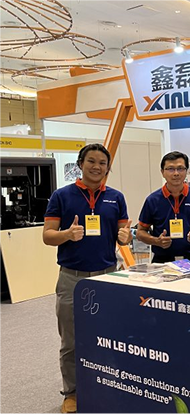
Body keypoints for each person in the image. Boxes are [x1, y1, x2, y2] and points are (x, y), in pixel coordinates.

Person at [43, 143, 132, 414]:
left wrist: (125, 237)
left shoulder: (116, 197)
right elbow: (48, 235)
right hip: (72, 278)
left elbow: (123, 233)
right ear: (80, 164)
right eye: (91, 161)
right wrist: (67, 235)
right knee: (71, 341)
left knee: (108, 336)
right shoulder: (62, 196)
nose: (97, 167)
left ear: (108, 167)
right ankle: (71, 393)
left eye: (102, 163)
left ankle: (106, 386)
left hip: (108, 277)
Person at [137, 151, 190, 267]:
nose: (176, 173)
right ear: (162, 172)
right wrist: (157, 241)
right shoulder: (153, 200)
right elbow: (140, 232)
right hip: (162, 260)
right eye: (170, 169)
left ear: (186, 171)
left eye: (180, 168)